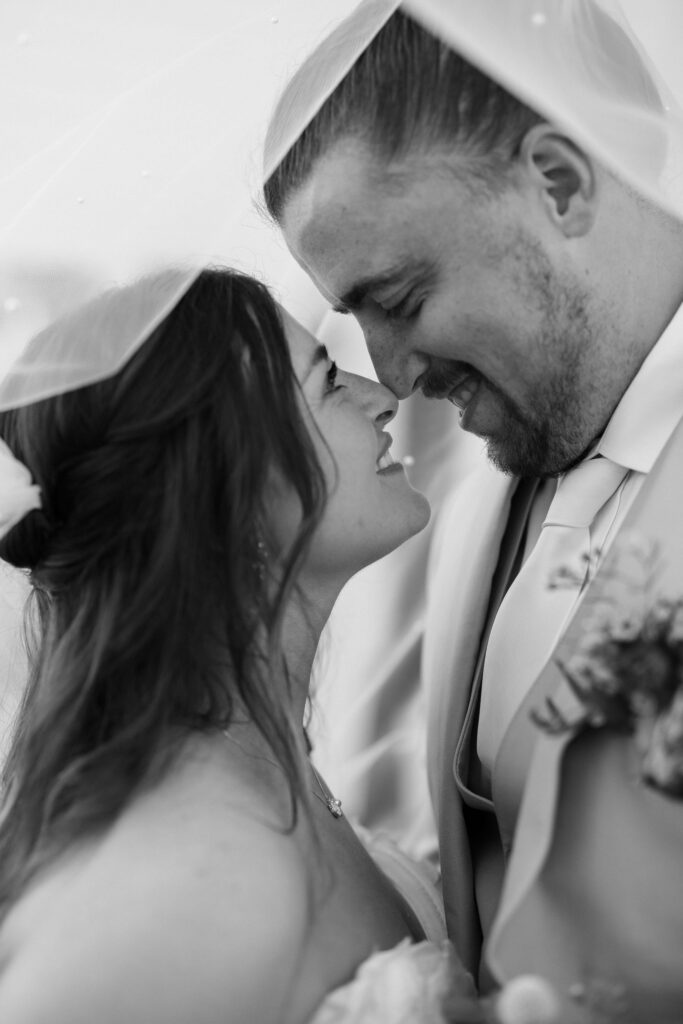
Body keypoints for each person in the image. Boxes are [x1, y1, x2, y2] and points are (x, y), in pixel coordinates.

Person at [262, 0, 683, 1007]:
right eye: (352, 321)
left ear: (558, 182)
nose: (391, 376)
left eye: (398, 299)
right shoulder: (463, 481)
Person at [0, 266, 485, 1023]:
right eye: (328, 383)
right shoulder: (189, 876)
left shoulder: (256, 766)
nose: (384, 397)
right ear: (228, 485)